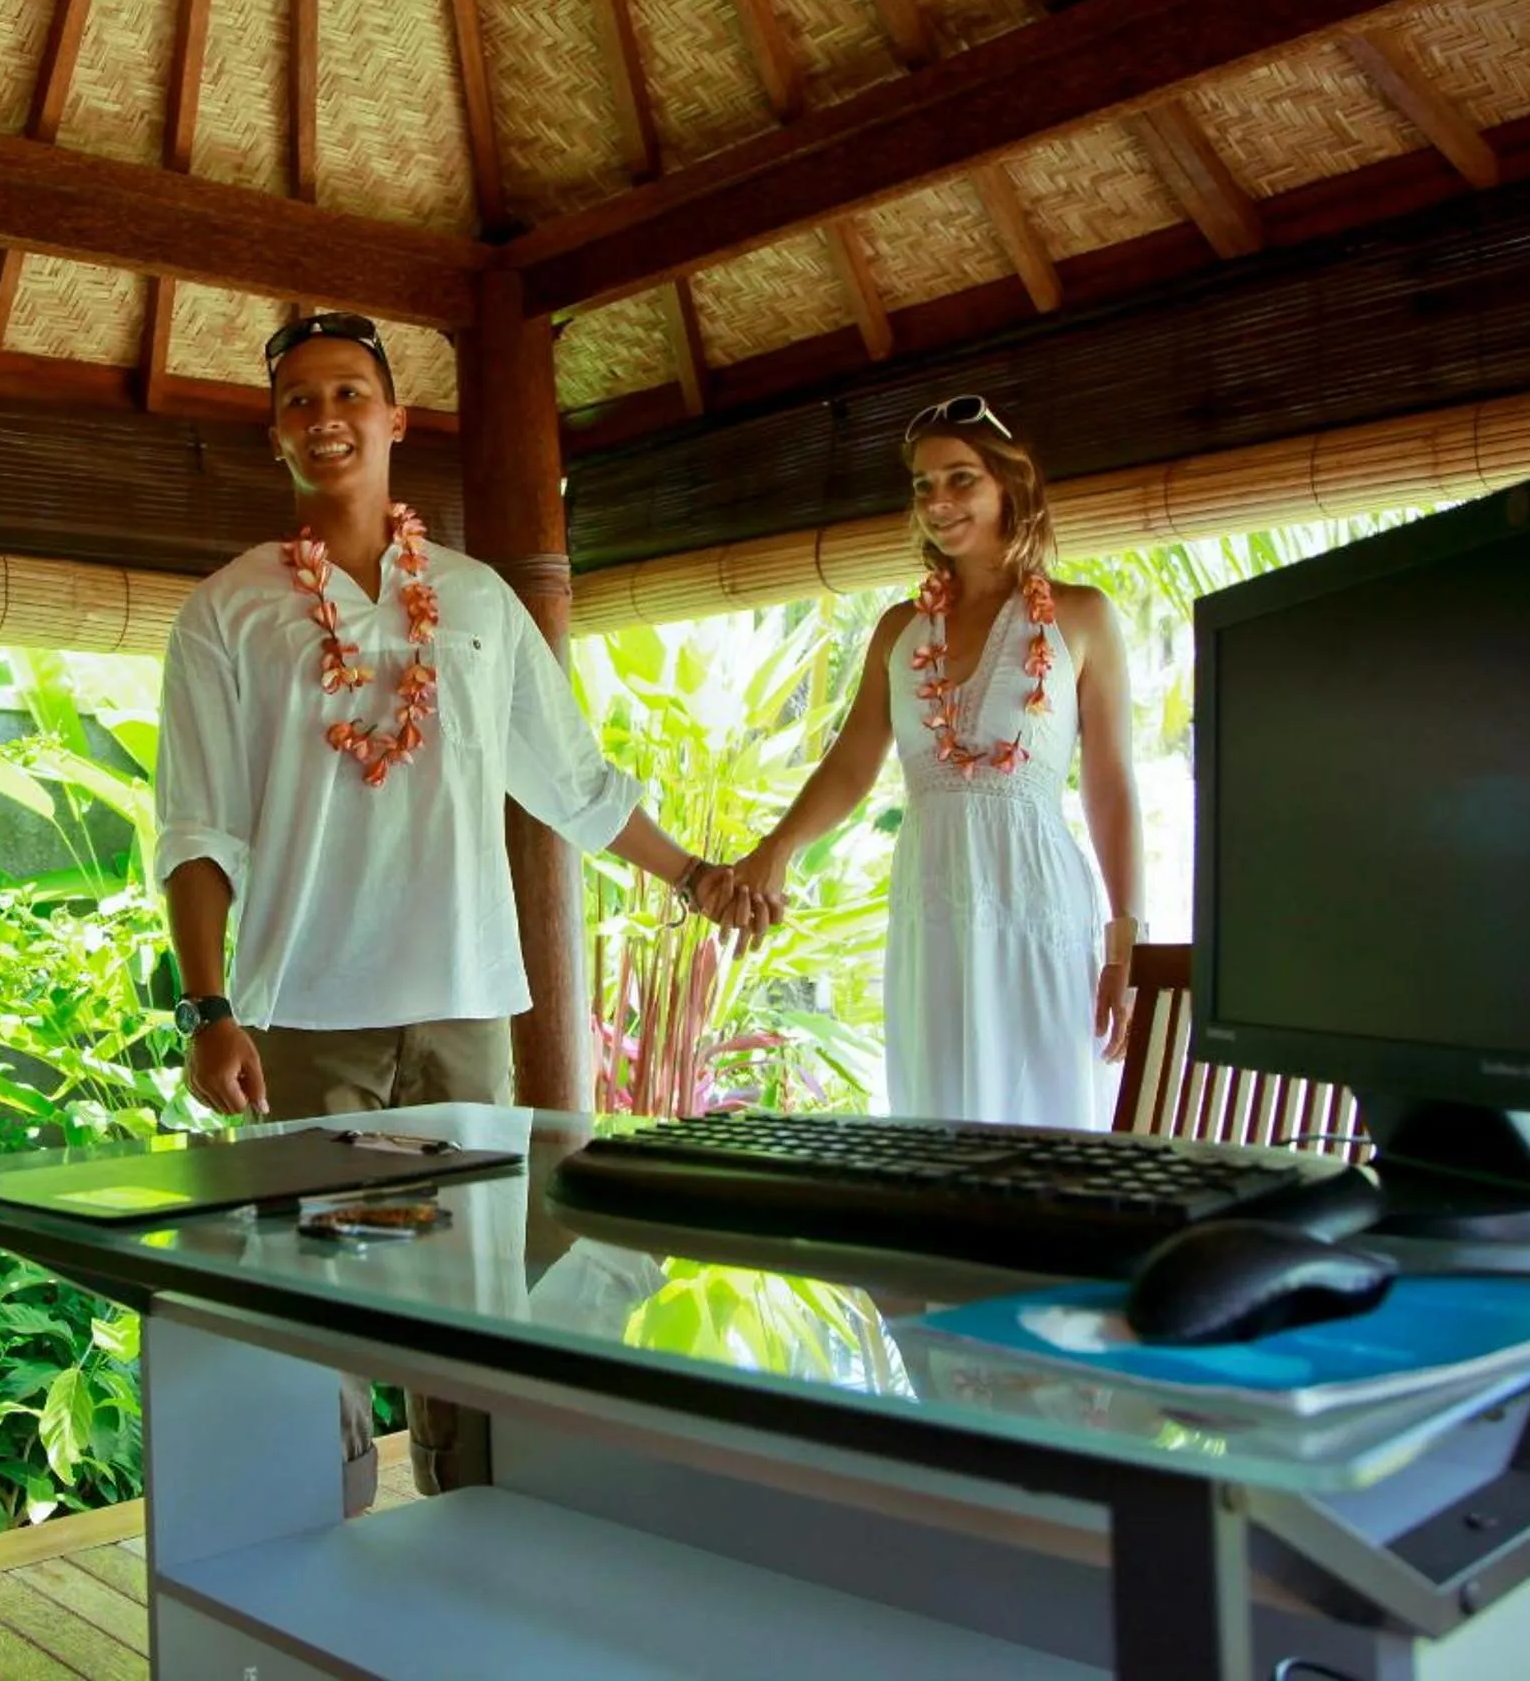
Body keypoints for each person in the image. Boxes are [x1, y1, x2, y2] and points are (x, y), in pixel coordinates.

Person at [155, 311, 754, 1503]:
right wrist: (208, 1007)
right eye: (299, 402)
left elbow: (572, 783)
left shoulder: (479, 601)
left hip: (467, 1008)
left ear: (395, 419)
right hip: (302, 1014)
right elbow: (196, 829)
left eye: (348, 395)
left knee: (470, 1306)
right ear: (276, 433)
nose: (326, 418)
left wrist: (692, 875)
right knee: (310, 1312)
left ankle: (477, 1534)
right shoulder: (224, 611)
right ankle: (312, 1550)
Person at [729, 395, 1143, 1130]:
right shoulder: (899, 629)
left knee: (1043, 1122)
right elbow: (852, 763)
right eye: (923, 486)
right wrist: (777, 848)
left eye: (961, 479)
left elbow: (1110, 788)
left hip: (1035, 899)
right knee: (938, 1116)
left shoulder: (1083, 617)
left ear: (1009, 485)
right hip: (934, 900)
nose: (938, 501)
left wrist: (1125, 943)